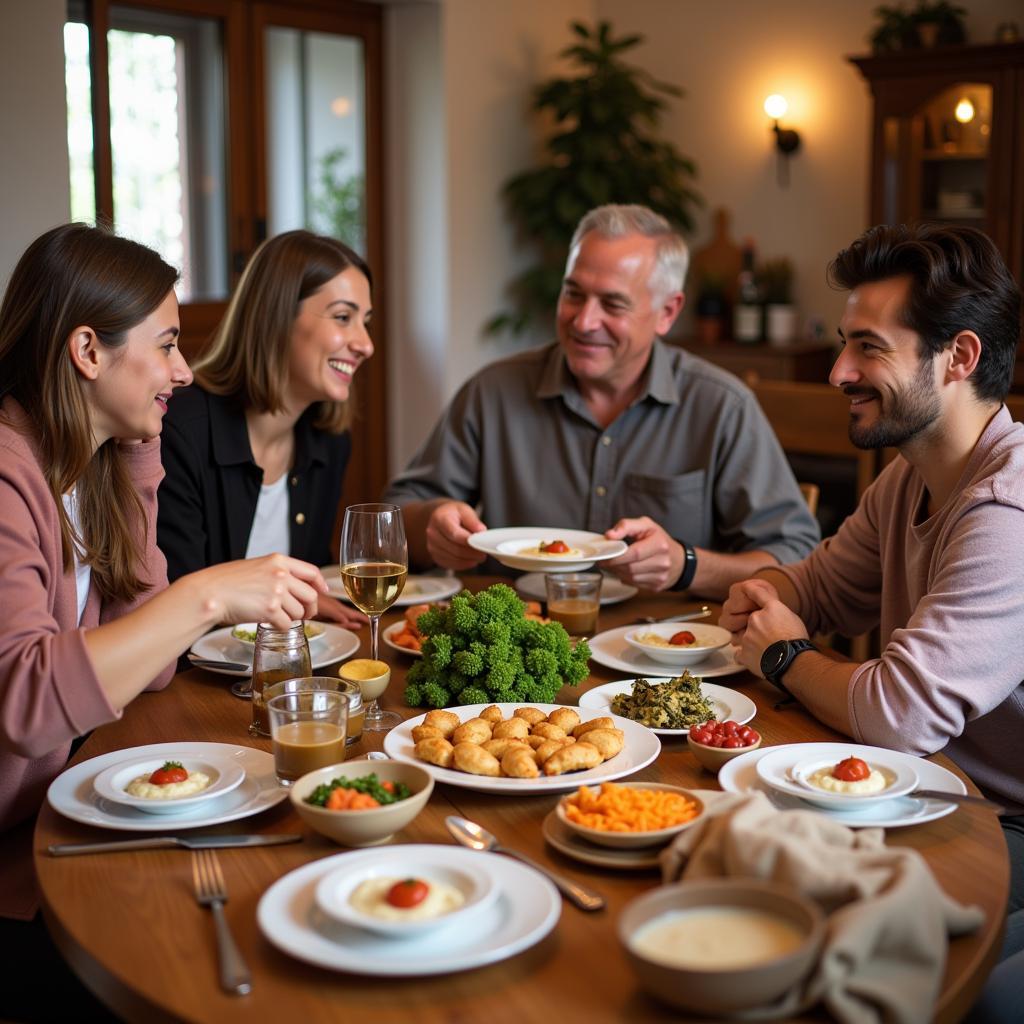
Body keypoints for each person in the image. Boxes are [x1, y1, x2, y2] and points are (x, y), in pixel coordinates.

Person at [0, 224, 328, 1019]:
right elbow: (27, 703)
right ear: (87, 351)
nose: (185, 371)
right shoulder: (7, 471)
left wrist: (140, 453)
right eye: (169, 345)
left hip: (54, 820)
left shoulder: (89, 464)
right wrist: (208, 595)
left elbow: (147, 664)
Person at [719, 223, 1024, 907]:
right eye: (842, 344)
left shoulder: (1010, 508)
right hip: (912, 791)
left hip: (1003, 829)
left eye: (869, 348)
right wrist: (763, 592)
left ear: (959, 357)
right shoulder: (909, 475)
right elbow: (820, 586)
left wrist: (784, 656)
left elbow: (901, 714)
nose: (839, 373)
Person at [384, 204, 819, 597]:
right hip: (516, 654)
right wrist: (431, 522)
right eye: (573, 293)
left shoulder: (723, 408)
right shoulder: (492, 392)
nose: (584, 320)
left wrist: (687, 565)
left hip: (667, 662)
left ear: (668, 312)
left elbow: (795, 557)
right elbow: (395, 514)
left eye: (612, 304)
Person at [157, 230, 372, 630]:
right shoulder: (178, 431)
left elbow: (304, 580)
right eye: (344, 317)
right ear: (277, 316)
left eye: (366, 321)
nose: (366, 344)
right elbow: (168, 607)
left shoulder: (329, 441)